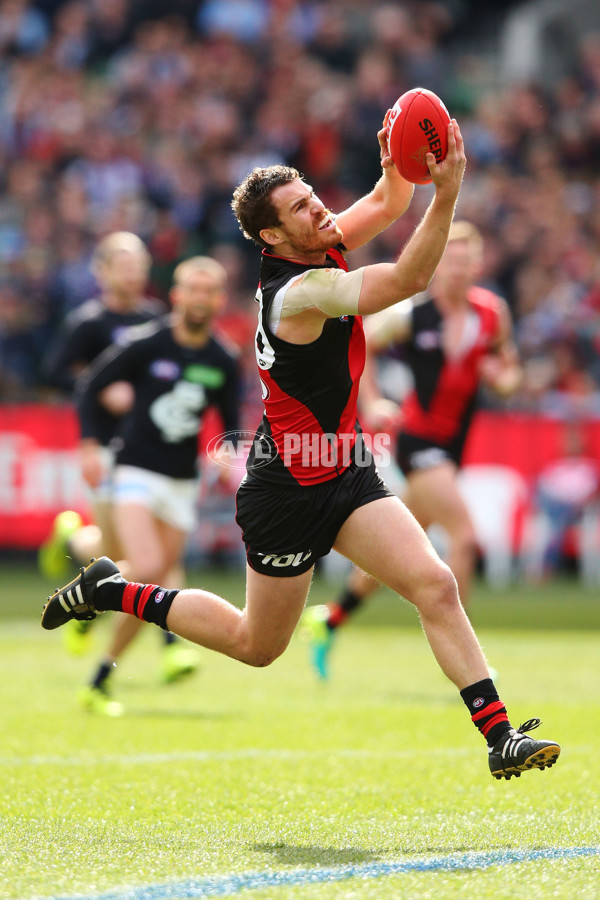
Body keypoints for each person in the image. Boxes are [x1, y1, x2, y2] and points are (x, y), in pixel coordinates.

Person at [41, 114, 560, 779]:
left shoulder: (315, 241)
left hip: (343, 471)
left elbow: (388, 202)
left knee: (435, 583)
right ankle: (112, 591)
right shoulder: (297, 294)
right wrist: (449, 195)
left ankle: (499, 736)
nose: (319, 210)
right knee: (256, 645)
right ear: (271, 236)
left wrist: (395, 165)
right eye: (300, 209)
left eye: (313, 196)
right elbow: (405, 282)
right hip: (287, 489)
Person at [304, 220, 522, 678]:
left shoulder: (490, 313)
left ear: (477, 264)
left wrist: (506, 381)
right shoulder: (411, 314)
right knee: (463, 536)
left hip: (454, 444)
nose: (459, 268)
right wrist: (373, 400)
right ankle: (470, 656)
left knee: (396, 557)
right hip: (418, 441)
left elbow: (506, 367)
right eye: (451, 259)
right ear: (439, 263)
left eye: (467, 260)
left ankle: (330, 619)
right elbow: (358, 341)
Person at [71, 255, 241, 715]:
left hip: (182, 482)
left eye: (211, 290)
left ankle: (101, 678)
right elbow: (90, 384)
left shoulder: (223, 358)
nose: (201, 297)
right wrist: (89, 446)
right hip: (135, 470)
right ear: (177, 295)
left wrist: (225, 459)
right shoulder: (148, 343)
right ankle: (86, 593)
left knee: (153, 592)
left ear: (219, 299)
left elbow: (227, 428)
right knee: (145, 567)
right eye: (194, 288)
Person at [38, 231, 197, 689]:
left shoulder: (155, 320)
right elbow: (56, 372)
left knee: (149, 553)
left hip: (145, 449)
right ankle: (79, 547)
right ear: (102, 271)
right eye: (123, 263)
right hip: (108, 448)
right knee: (126, 553)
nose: (133, 271)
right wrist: (100, 388)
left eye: (139, 262)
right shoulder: (89, 323)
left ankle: (171, 646)